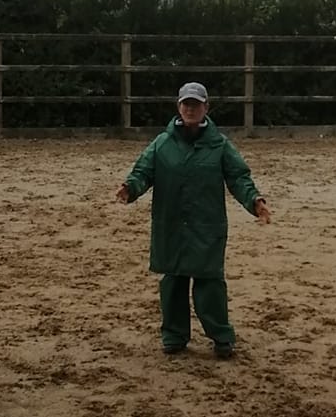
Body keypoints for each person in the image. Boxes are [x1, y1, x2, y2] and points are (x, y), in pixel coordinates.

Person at [115, 82, 271, 357]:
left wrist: (254, 201)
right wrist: (130, 188)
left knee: (210, 284)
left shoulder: (220, 145)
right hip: (171, 224)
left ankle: (221, 336)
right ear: (178, 107)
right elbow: (143, 171)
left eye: (196, 104)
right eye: (186, 104)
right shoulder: (162, 144)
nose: (190, 109)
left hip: (206, 226)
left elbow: (238, 177)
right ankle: (174, 336)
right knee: (173, 282)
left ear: (206, 108)